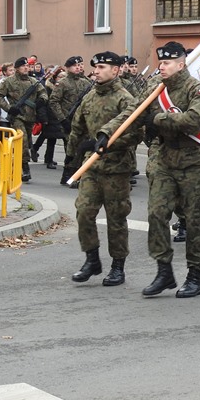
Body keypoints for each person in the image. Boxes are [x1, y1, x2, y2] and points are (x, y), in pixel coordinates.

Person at [99, 41, 200, 299]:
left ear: (181, 65)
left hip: (194, 162)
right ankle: (164, 271)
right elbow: (133, 113)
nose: (161, 67)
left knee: (195, 221)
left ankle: (194, 276)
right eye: (160, 62)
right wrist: (106, 133)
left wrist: (159, 119)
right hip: (164, 160)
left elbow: (195, 120)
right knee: (156, 214)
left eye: (167, 63)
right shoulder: (155, 87)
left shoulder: (195, 89)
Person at [67, 52, 139, 286]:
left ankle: (118, 266)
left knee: (116, 218)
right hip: (92, 166)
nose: (96, 71)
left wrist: (108, 144)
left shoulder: (125, 99)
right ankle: (92, 259)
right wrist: (72, 156)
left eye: (101, 67)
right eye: (95, 67)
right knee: (84, 212)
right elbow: (77, 127)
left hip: (117, 167)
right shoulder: (89, 97)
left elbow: (136, 133)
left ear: (115, 70)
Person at [0, 56, 49, 182]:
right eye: (23, 66)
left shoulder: (33, 81)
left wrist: (42, 100)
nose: (26, 68)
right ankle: (25, 169)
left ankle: (17, 165)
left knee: (26, 143)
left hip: (31, 117)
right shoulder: (9, 81)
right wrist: (9, 108)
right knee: (22, 141)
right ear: (17, 68)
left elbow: (43, 93)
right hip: (17, 117)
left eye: (27, 66)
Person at [50, 56, 93, 185]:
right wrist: (62, 119)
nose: (78, 67)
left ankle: (76, 175)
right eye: (75, 66)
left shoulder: (87, 82)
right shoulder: (63, 83)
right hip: (68, 121)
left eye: (80, 65)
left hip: (83, 122)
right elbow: (54, 101)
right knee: (71, 149)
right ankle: (68, 174)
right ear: (68, 68)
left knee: (82, 149)